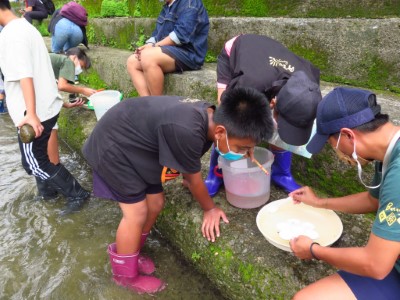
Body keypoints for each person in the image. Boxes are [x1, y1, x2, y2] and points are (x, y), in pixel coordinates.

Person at [82, 87, 274, 293]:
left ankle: (132, 252)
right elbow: (193, 180)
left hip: (137, 143)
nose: (246, 154)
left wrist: (191, 174)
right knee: (136, 213)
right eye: (243, 148)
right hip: (114, 146)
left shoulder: (210, 118)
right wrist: (209, 209)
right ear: (220, 132)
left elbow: (185, 161)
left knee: (155, 203)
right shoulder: (188, 129)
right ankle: (125, 276)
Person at [289, 87, 400, 300]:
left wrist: (313, 250)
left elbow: (376, 264)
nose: (339, 154)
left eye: (334, 146)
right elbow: (372, 200)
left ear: (348, 135)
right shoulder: (388, 151)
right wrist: (318, 202)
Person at [0, 0, 90, 215]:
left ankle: (77, 194)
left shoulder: (11, 35)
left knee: (33, 162)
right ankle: (48, 194)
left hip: (33, 111)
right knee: (37, 157)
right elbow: (43, 69)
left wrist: (31, 114)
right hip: (42, 105)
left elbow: (25, 75)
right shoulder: (24, 27)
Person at [205, 34, 322, 197]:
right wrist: (248, 142)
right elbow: (227, 115)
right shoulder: (249, 84)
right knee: (231, 122)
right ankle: (215, 174)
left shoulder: (311, 84)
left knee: (287, 121)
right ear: (273, 103)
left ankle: (281, 173)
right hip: (237, 51)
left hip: (269, 62)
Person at [126, 0, 209, 96]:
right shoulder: (167, 7)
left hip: (188, 54)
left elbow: (179, 36)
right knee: (132, 61)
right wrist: (148, 45)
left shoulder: (191, 3)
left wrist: (153, 47)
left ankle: (157, 105)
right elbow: (157, 34)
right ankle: (147, 104)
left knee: (147, 57)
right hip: (169, 50)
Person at [48, 47, 97, 164]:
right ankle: (54, 165)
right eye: (81, 66)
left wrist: (67, 105)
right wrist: (83, 90)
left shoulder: (56, 64)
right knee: (51, 127)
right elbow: (62, 86)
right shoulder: (67, 61)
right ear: (75, 57)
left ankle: (51, 162)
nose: (80, 69)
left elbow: (51, 92)